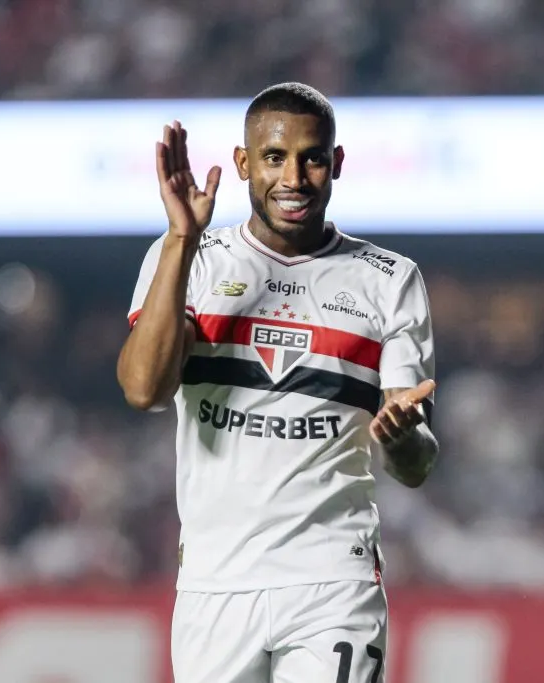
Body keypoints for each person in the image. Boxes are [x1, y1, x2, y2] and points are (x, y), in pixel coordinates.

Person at [117, 82, 438, 683]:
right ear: (243, 164)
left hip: (332, 579)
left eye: (312, 157)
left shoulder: (389, 281)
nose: (294, 176)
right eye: (274, 157)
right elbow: (144, 390)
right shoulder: (193, 260)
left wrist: (399, 437)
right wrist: (182, 241)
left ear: (336, 164)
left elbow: (416, 465)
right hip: (216, 583)